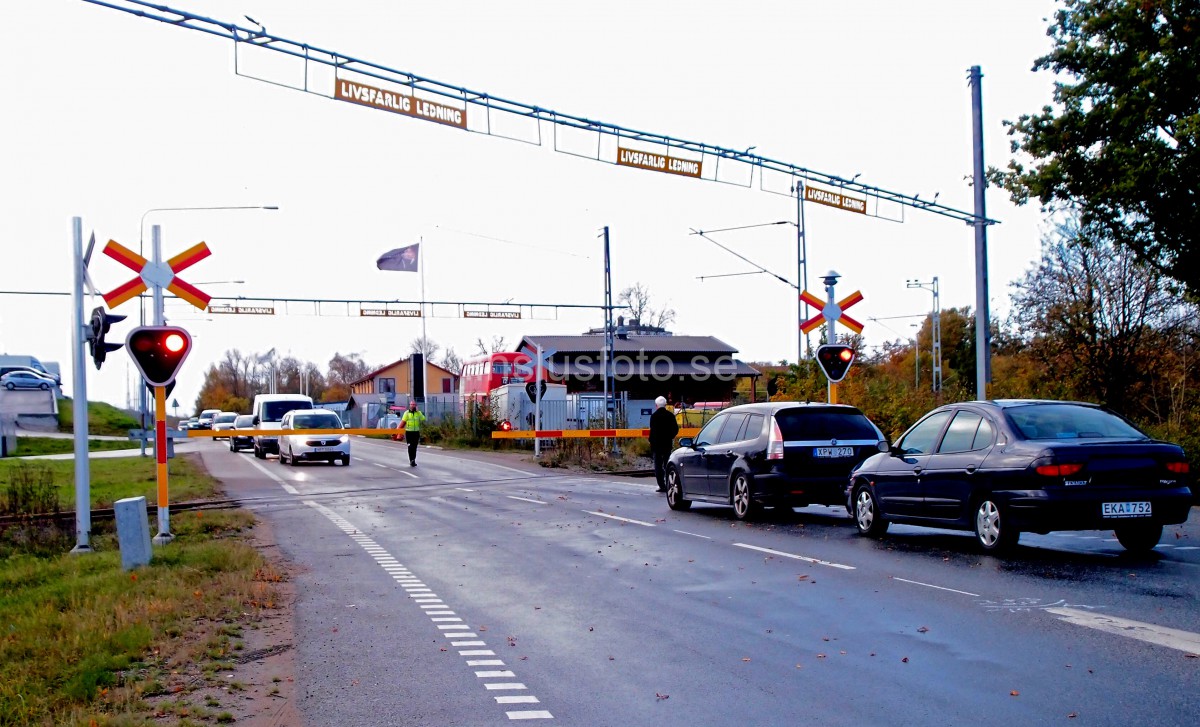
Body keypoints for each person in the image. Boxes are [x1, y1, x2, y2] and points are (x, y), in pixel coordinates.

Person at [648, 395, 679, 492]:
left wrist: (651, 441)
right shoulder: (670, 416)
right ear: (665, 405)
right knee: (667, 464)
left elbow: (652, 431)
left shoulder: (654, 416)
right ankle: (669, 483)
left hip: (656, 445)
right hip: (667, 444)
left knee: (658, 465)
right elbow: (675, 429)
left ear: (656, 405)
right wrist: (670, 437)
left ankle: (661, 485)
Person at [400, 400, 427, 466]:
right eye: (411, 404)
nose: (413, 406)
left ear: (416, 405)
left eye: (414, 404)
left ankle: (413, 460)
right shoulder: (407, 413)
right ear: (410, 405)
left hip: (416, 432)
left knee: (414, 447)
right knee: (410, 446)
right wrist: (399, 433)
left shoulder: (418, 413)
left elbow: (423, 419)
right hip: (409, 432)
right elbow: (403, 422)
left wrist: (419, 412)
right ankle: (411, 459)